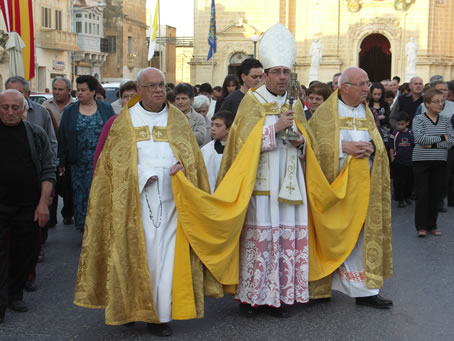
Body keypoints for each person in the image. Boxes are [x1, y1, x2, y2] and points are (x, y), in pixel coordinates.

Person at [74, 67, 224, 337]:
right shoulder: (125, 120)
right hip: (134, 204)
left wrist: (183, 166)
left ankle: (160, 316)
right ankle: (129, 309)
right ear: (139, 89)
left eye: (162, 85)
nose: (158, 90)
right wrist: (142, 175)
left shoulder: (177, 120)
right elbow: (112, 165)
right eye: (152, 85)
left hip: (171, 204)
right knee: (132, 255)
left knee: (164, 260)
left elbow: (193, 159)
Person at [221, 23, 310, 318]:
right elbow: (241, 145)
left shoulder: (295, 103)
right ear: (267, 74)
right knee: (262, 241)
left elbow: (308, 143)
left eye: (286, 72)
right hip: (261, 183)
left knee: (285, 238)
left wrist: (300, 141)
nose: (282, 77)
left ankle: (282, 296)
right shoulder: (252, 101)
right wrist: (274, 129)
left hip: (289, 181)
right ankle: (253, 298)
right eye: (276, 72)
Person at [309, 67, 393, 309]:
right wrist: (341, 147)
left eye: (367, 83)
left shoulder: (367, 112)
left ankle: (366, 292)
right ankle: (322, 287)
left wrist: (373, 149)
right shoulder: (326, 112)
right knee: (333, 235)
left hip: (364, 184)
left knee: (363, 237)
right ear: (344, 87)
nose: (367, 88)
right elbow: (314, 146)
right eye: (361, 84)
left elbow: (377, 141)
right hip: (336, 187)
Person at [0, 89, 55, 323]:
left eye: (15, 107)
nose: (10, 112)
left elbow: (47, 169)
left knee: (24, 254)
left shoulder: (36, 134)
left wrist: (43, 203)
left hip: (28, 205)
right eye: (5, 107)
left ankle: (15, 294)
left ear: (24, 110)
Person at [58, 75, 115, 232]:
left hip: (101, 162)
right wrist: (61, 161)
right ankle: (85, 228)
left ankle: (102, 228)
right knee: (82, 196)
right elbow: (63, 137)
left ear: (92, 92)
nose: (79, 94)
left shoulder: (106, 109)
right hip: (79, 164)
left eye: (83, 90)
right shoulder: (70, 112)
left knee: (101, 195)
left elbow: (114, 133)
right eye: (78, 90)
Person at [412, 88, 454, 237]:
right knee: (422, 194)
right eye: (437, 102)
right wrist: (442, 138)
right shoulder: (419, 119)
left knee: (436, 195)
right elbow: (420, 139)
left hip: (440, 161)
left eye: (442, 101)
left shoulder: (445, 120)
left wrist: (433, 143)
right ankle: (421, 227)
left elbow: (451, 141)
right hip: (421, 161)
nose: (440, 104)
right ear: (427, 104)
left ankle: (432, 225)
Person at [43, 77, 76, 227]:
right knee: (52, 183)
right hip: (50, 151)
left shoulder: (76, 105)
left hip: (70, 152)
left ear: (69, 91)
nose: (56, 92)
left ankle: (68, 213)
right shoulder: (46, 105)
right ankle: (51, 218)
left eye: (60, 89)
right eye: (54, 89)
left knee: (68, 185)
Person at [201, 110, 234, 193]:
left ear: (229, 129)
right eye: (212, 125)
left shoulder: (238, 149)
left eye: (218, 126)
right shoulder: (206, 150)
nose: (212, 129)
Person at [389, 112, 414, 208]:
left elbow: (414, 145)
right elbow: (391, 147)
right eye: (398, 124)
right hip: (398, 161)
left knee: (409, 180)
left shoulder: (411, 133)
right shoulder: (394, 134)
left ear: (407, 123)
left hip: (409, 161)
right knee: (398, 181)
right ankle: (400, 198)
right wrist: (392, 158)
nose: (399, 126)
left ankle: (407, 196)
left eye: (402, 124)